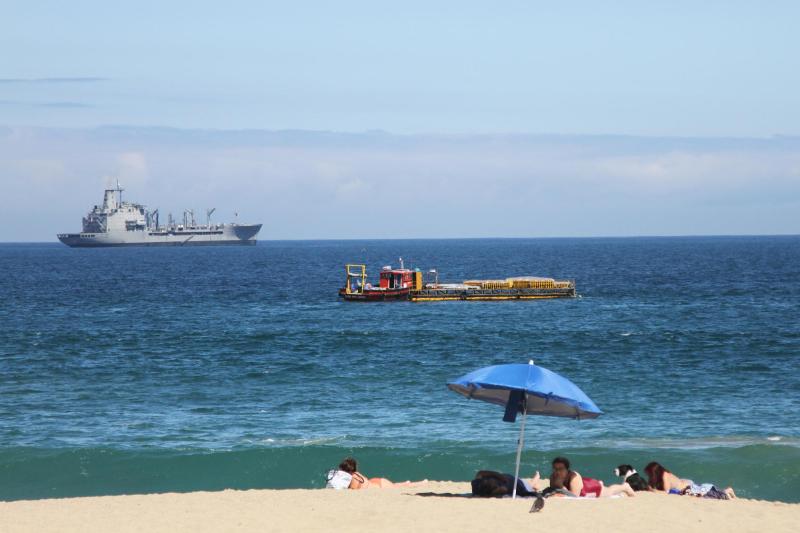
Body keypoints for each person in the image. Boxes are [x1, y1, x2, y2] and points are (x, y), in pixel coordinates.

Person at [533, 457, 635, 498]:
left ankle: (625, 487)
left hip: (590, 487)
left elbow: (574, 497)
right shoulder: (553, 476)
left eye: (561, 468)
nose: (557, 471)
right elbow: (555, 490)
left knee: (609, 491)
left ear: (567, 469)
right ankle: (602, 483)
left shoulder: (573, 477)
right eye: (555, 468)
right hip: (584, 483)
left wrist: (560, 486)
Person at [644, 462, 736, 499]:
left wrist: (652, 490)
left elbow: (666, 492)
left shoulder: (665, 476)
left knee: (705, 496)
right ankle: (726, 491)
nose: (649, 476)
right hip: (685, 484)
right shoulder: (662, 474)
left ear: (654, 472)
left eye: (649, 474)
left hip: (688, 488)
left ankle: (727, 491)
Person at [336, 457, 422, 489]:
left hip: (381, 485)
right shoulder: (356, 474)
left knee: (399, 488)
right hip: (377, 482)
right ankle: (406, 482)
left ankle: (421, 483)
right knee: (396, 485)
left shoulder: (350, 479)